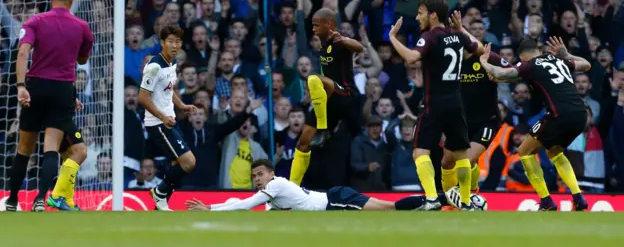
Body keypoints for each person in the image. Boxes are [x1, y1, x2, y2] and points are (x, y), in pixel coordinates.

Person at [388, 0, 482, 211]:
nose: (417, 17)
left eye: (420, 12)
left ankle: (431, 199)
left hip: (434, 104)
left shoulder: (429, 36)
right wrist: (461, 29)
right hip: (456, 103)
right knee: (460, 155)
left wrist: (393, 38)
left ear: (433, 15)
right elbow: (477, 49)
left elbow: (412, 58)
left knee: (420, 152)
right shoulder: (457, 35)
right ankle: (466, 202)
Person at [7, 0, 93, 212]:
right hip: (62, 89)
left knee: (24, 149)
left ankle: (12, 202)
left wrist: (21, 85)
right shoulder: (82, 27)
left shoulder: (35, 21)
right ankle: (40, 200)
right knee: (51, 149)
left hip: (36, 87)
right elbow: (83, 59)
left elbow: (23, 51)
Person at [479, 37, 591, 211]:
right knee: (555, 152)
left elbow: (501, 73)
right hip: (581, 114)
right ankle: (578, 198)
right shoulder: (558, 60)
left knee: (524, 151)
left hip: (558, 114)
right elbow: (586, 64)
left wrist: (484, 62)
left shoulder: (529, 65)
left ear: (523, 56)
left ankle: (546, 201)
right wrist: (567, 54)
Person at [185, 159, 489, 211]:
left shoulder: (275, 185)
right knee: (389, 208)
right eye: (254, 177)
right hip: (333, 198)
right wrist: (211, 206)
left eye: (259, 175)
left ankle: (439, 200)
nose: (257, 180)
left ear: (270, 174)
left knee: (390, 207)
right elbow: (238, 203)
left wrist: (208, 207)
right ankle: (437, 202)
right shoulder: (273, 189)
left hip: (335, 201)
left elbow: (246, 204)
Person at [289, 8, 364, 186]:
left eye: (316, 26)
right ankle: (291, 187)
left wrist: (345, 39)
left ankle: (323, 129)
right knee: (303, 142)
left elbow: (359, 47)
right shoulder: (322, 46)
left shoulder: (339, 41)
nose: (313, 30)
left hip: (346, 94)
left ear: (328, 25)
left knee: (315, 79)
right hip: (329, 100)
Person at [441, 11, 513, 197]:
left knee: (465, 160)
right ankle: (453, 198)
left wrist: (497, 74)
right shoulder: (450, 60)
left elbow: (510, 70)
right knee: (446, 163)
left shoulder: (487, 56)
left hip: (486, 121)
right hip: (460, 121)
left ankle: (464, 199)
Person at [139, 25, 199, 211]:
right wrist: (162, 116)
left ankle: (160, 204)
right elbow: (143, 97)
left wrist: (181, 106)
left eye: (178, 41)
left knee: (177, 165)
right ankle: (159, 193)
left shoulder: (171, 63)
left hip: (169, 120)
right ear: (162, 43)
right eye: (170, 41)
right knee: (189, 162)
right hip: (158, 123)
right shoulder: (155, 66)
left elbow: (167, 89)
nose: (175, 45)